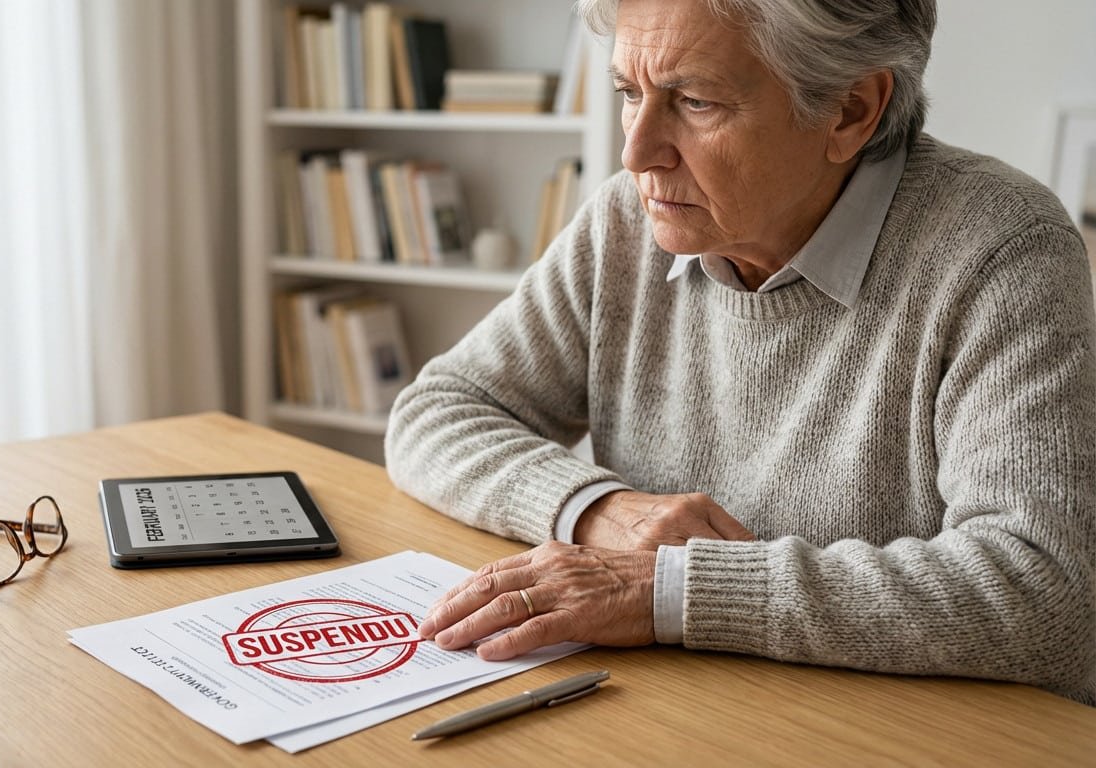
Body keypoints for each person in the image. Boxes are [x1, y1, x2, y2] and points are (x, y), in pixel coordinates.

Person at [384, 0, 1096, 706]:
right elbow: (437, 412)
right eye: (630, 93)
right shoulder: (629, 219)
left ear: (850, 110)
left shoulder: (1002, 250)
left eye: (694, 102)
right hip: (680, 707)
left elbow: (1046, 592)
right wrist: (599, 509)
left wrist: (668, 590)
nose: (636, 152)